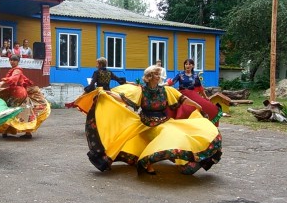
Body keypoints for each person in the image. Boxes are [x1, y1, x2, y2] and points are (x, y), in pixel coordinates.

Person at [84, 65, 222, 175]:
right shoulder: (141, 91)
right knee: (153, 137)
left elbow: (184, 99)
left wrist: (199, 107)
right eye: (156, 74)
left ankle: (184, 162)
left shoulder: (166, 90)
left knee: (179, 134)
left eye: (158, 74)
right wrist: (108, 93)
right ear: (149, 77)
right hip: (145, 123)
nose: (159, 76)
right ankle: (147, 163)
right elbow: (124, 98)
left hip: (163, 121)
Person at [0, 55, 51, 139]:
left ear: (18, 61)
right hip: (16, 93)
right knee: (22, 112)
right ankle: (14, 131)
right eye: (11, 60)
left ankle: (9, 131)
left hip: (19, 94)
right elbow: (22, 80)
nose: (12, 61)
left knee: (13, 112)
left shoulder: (17, 70)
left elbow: (14, 78)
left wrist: (3, 82)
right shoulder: (15, 70)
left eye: (14, 60)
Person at [167, 58, 222, 126]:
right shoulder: (180, 74)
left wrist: (205, 97)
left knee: (205, 106)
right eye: (186, 64)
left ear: (193, 66)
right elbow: (171, 82)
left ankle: (200, 125)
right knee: (181, 109)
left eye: (190, 64)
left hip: (192, 94)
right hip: (182, 95)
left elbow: (200, 87)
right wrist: (161, 85)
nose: (188, 65)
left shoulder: (195, 75)